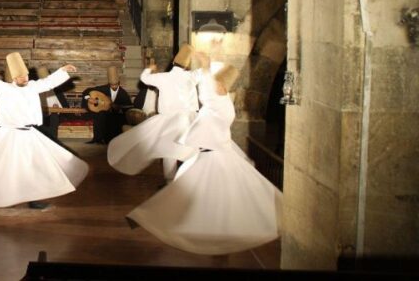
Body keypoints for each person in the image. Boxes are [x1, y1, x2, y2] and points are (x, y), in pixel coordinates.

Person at [126, 63, 283, 255]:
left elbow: (205, 93)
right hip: (212, 154)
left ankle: (150, 218)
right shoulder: (222, 103)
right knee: (190, 190)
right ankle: (151, 217)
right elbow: (205, 90)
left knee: (191, 191)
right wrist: (205, 68)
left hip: (214, 156)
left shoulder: (217, 105)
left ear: (222, 86)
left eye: (216, 83)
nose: (212, 85)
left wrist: (205, 67)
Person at [0, 52, 88, 209]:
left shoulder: (33, 86)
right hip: (11, 134)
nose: (25, 78)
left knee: (33, 166)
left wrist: (63, 70)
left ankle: (34, 198)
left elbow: (48, 82)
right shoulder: (4, 88)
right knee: (8, 167)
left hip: (30, 134)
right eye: (21, 76)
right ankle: (5, 196)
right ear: (14, 78)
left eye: (26, 75)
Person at [107, 44, 202, 182]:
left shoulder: (163, 77)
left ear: (173, 63)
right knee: (190, 149)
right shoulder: (191, 76)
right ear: (187, 66)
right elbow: (205, 72)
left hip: (169, 119)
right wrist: (203, 59)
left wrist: (149, 69)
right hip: (188, 119)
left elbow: (144, 78)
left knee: (169, 151)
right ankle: (188, 179)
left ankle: (170, 181)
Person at [81, 66, 133, 144]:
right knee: (99, 115)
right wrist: (89, 98)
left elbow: (128, 108)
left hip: (117, 115)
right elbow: (86, 91)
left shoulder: (123, 93)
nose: (114, 87)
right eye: (112, 85)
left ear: (119, 83)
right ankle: (98, 139)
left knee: (114, 119)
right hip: (104, 112)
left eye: (116, 85)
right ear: (109, 84)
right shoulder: (104, 89)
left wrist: (119, 108)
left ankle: (111, 140)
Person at [36, 66, 69, 142]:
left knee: (54, 116)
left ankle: (53, 139)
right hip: (42, 114)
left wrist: (57, 107)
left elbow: (65, 106)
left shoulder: (57, 90)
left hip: (58, 114)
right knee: (40, 119)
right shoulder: (37, 90)